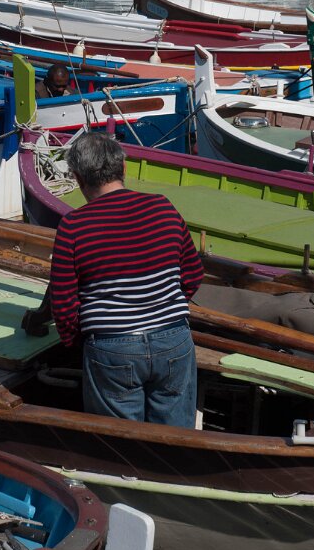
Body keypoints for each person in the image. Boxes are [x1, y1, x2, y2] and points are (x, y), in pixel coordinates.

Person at [22, 132, 203, 427]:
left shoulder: (73, 226)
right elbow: (193, 276)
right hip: (173, 338)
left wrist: (82, 342)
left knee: (119, 440)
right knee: (175, 438)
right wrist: (161, 308)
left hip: (112, 347)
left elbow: (64, 305)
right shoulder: (163, 207)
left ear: (78, 178)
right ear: (123, 168)